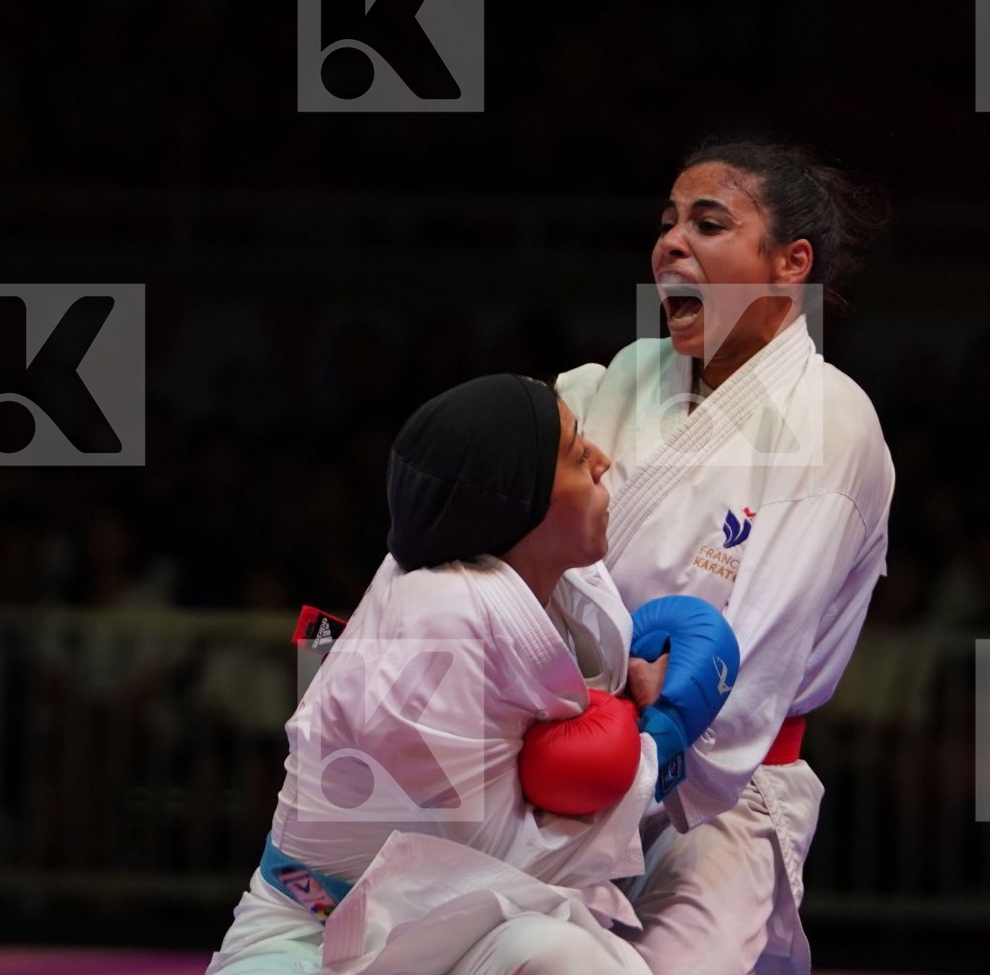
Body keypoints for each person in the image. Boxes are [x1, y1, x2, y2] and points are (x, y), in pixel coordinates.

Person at [207, 373, 738, 975]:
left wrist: (632, 705)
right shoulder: (438, 623)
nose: (601, 460)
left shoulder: (565, 584)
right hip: (307, 938)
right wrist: (661, 737)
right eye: (574, 452)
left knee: (565, 956)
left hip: (430, 928)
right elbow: (496, 867)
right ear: (520, 500)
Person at [556, 139, 895, 975]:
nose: (671, 243)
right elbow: (547, 556)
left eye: (708, 224)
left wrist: (645, 711)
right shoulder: (634, 373)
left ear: (790, 264)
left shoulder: (829, 419)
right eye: (667, 222)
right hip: (571, 761)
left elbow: (747, 654)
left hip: (721, 796)